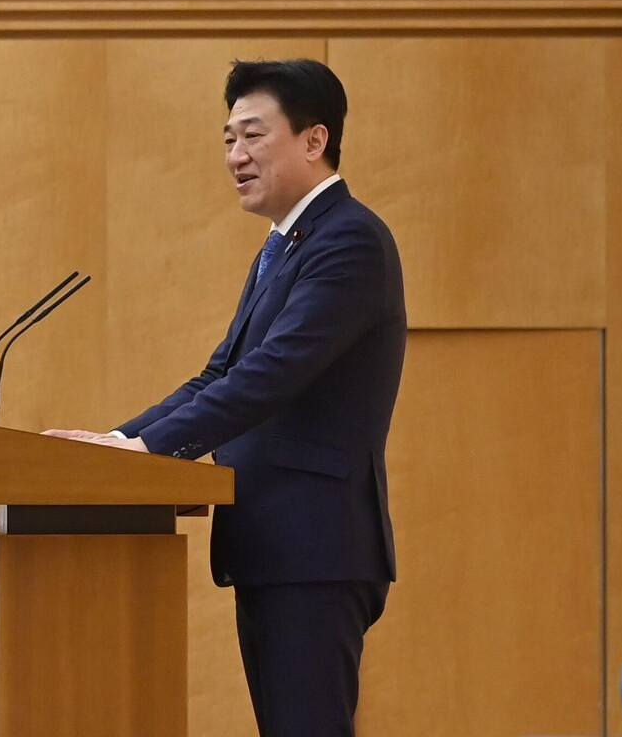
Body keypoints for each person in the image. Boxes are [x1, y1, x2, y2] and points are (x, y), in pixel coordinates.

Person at [46, 58, 405, 737]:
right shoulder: (284, 247)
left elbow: (272, 372)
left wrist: (144, 449)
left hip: (315, 551)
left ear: (313, 139)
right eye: (227, 139)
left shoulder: (349, 241)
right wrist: (119, 445)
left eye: (252, 136)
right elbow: (218, 376)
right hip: (277, 547)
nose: (235, 156)